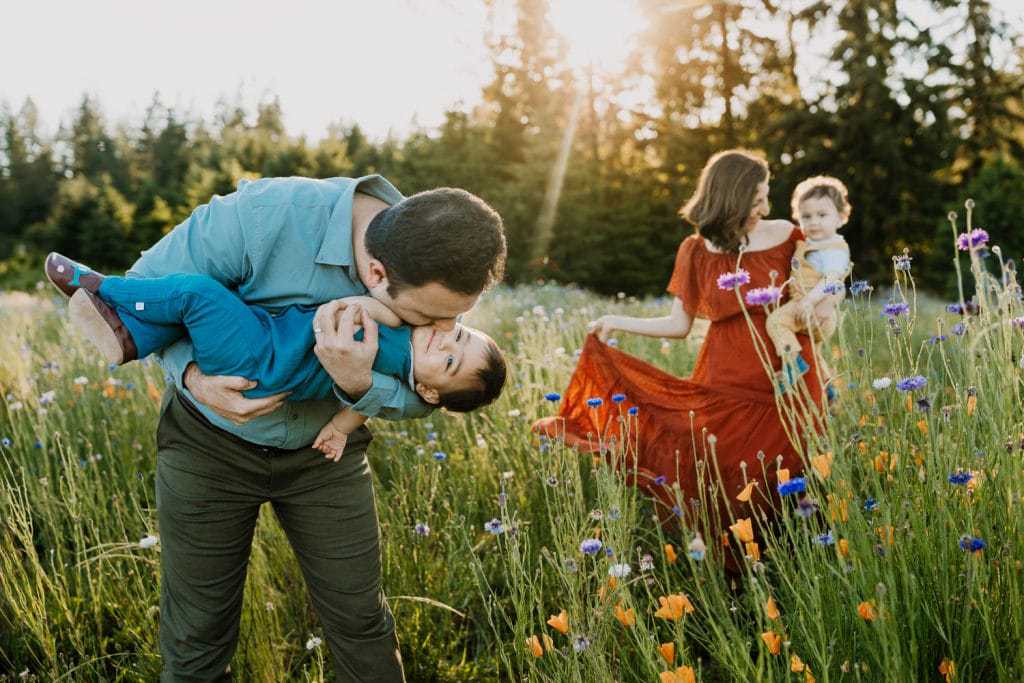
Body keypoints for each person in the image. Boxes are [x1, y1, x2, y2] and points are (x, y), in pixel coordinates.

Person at [50, 175, 506, 682]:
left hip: (325, 459)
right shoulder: (258, 217)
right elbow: (141, 296)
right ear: (376, 273)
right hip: (209, 446)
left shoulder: (444, 263)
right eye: (433, 320)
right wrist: (195, 378)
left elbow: (434, 393)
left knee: (361, 621)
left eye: (455, 321)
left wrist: (359, 386)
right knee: (196, 633)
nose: (444, 331)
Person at [534, 150, 825, 564]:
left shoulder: (790, 235)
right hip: (726, 380)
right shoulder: (696, 250)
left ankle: (800, 564)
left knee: (796, 473)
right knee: (728, 480)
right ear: (732, 199)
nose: (765, 207)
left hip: (792, 375)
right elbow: (679, 324)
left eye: (766, 196)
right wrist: (618, 320)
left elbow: (823, 289)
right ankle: (741, 573)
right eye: (757, 198)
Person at [44, 259, 507, 459]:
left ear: (428, 390)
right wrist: (337, 431)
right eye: (458, 336)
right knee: (204, 304)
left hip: (258, 363)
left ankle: (102, 287)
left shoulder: (394, 360)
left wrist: (380, 306)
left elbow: (367, 386)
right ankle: (131, 338)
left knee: (197, 294)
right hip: (264, 343)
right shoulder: (402, 360)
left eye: (449, 362)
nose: (443, 343)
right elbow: (358, 408)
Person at [766, 176, 851, 394]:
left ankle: (792, 365)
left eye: (822, 215)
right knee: (814, 350)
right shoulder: (811, 244)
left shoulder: (833, 248)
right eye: (806, 216)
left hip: (812, 306)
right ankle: (827, 387)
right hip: (813, 311)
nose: (813, 222)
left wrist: (809, 301)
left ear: (841, 217)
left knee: (776, 322)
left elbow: (832, 278)